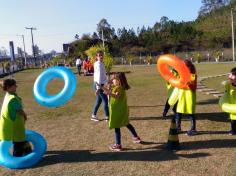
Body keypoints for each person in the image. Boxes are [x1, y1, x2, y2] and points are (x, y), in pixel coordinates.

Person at [103, 72, 141, 151]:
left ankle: (118, 145)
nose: (112, 80)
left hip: (118, 110)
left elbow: (116, 96)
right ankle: (136, 137)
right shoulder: (117, 86)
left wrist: (109, 92)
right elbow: (109, 92)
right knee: (126, 123)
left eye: (114, 79)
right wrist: (105, 88)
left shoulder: (119, 88)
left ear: (118, 80)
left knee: (117, 126)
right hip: (120, 110)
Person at [0, 79, 32, 157]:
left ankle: (28, 151)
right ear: (8, 87)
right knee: (19, 141)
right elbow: (19, 110)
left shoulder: (9, 95)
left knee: (21, 140)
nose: (16, 86)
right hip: (15, 123)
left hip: (13, 123)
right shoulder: (12, 99)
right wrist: (25, 115)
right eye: (14, 85)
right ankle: (17, 157)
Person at [174, 60, 197, 136]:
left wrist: (188, 83)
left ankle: (193, 129)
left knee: (191, 113)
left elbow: (193, 88)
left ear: (189, 67)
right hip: (181, 95)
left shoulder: (193, 75)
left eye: (184, 66)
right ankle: (178, 128)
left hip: (189, 96)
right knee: (178, 112)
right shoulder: (180, 75)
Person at [91, 51, 109, 121]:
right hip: (99, 85)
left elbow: (103, 75)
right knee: (105, 100)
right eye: (99, 55)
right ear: (96, 57)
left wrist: (107, 82)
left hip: (100, 84)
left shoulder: (100, 64)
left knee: (99, 101)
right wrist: (98, 88)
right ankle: (107, 116)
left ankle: (93, 115)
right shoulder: (98, 64)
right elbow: (98, 76)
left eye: (101, 55)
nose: (101, 57)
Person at [222, 67, 236, 135]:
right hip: (232, 106)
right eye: (230, 74)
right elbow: (226, 93)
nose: (230, 77)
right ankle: (233, 130)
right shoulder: (228, 85)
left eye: (232, 75)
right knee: (232, 120)